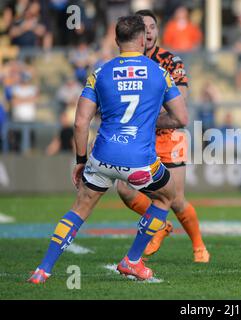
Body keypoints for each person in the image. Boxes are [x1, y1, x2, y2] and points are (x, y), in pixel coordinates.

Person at [28, 15, 188, 284]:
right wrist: (148, 121)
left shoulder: (100, 73)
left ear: (116, 41)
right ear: (141, 39)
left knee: (79, 209)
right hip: (140, 161)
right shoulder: (159, 73)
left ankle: (42, 270)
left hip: (101, 156)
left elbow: (80, 122)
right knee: (165, 197)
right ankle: (132, 260)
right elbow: (182, 118)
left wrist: (81, 160)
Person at [116, 10, 210, 263]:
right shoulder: (124, 62)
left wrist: (143, 113)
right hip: (137, 138)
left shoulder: (170, 60)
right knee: (124, 188)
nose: (148, 32)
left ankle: (199, 245)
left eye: (152, 27)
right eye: (143, 27)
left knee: (176, 199)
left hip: (168, 136)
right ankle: (159, 225)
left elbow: (180, 100)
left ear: (157, 31)